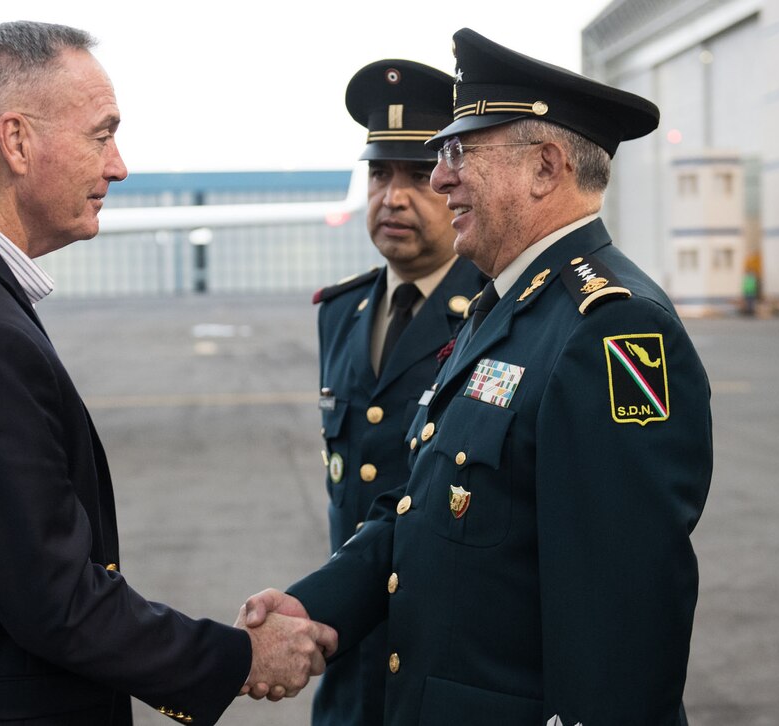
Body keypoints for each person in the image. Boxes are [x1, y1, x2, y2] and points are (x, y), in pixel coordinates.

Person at [0, 21, 334, 725]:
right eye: (101, 135)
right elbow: (55, 603)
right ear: (17, 141)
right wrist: (238, 659)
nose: (118, 166)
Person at [242, 27, 712, 725]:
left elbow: (626, 617)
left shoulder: (611, 328)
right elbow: (423, 510)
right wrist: (317, 604)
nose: (439, 177)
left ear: (545, 169)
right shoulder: (505, 306)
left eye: (461, 151)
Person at [310, 58, 484, 726]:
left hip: (445, 668)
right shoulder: (341, 313)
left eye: (418, 175)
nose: (393, 197)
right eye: (380, 173)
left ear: (452, 180)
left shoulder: (494, 316)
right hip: (351, 663)